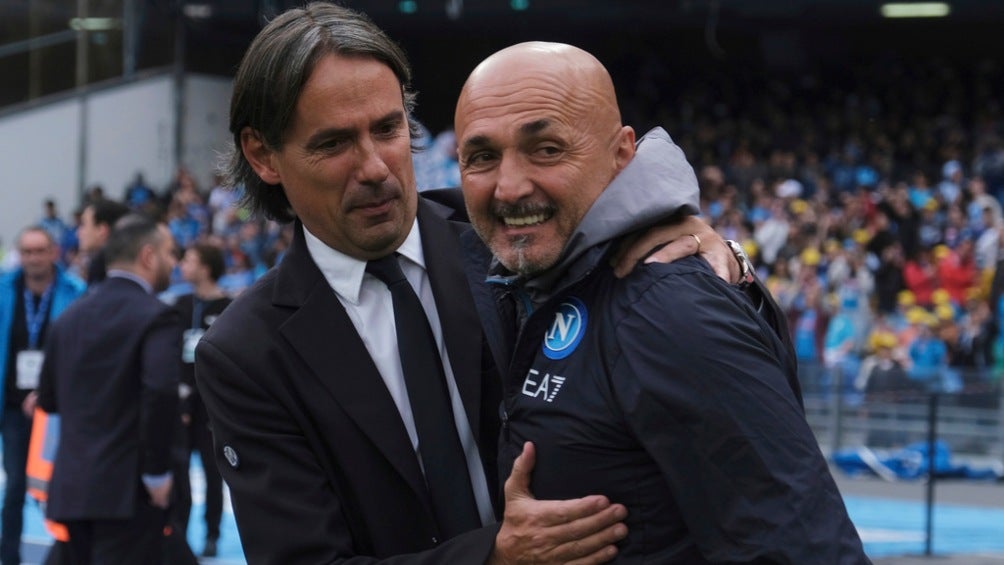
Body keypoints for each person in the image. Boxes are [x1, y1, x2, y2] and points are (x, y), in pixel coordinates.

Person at [194, 4, 735, 564]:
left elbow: (632, 199)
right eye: (333, 144)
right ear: (262, 155)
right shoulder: (246, 354)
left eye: (388, 129)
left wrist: (710, 249)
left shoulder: (509, 234)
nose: (376, 166)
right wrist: (493, 558)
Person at [454, 41, 869, 563]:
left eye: (547, 149)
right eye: (483, 157)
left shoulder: (670, 309)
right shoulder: (525, 274)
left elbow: (805, 549)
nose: (509, 187)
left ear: (622, 153)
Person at [37, 214, 181, 564]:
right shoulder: (156, 316)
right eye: (169, 253)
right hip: (128, 490)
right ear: (148, 256)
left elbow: (49, 400)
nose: (173, 262)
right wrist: (157, 473)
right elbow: (160, 392)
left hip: (73, 487)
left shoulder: (68, 318)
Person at [0, 226, 86, 565]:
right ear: (19, 255)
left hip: (57, 408)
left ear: (54, 252)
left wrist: (51, 390)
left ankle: (67, 555)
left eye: (40, 251)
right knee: (16, 484)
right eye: (27, 252)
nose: (33, 258)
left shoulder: (75, 292)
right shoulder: (5, 290)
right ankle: (8, 557)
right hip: (11, 407)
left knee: (61, 485)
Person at [170, 243, 231, 558]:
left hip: (211, 406)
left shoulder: (228, 308)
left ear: (206, 267)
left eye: (190, 260)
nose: (182, 264)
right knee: (179, 473)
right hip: (180, 404)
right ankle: (178, 533)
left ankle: (212, 534)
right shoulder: (178, 305)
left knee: (212, 472)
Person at [76, 198, 131, 285]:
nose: (78, 233)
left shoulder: (113, 278)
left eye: (83, 224)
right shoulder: (96, 270)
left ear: (102, 231)